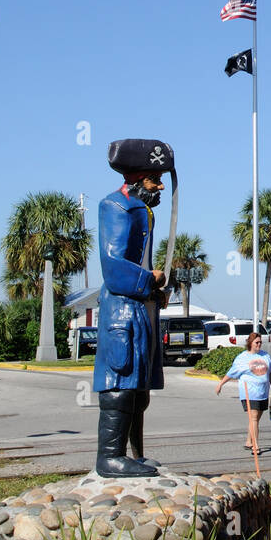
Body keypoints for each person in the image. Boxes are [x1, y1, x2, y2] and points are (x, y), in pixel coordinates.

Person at [93, 138, 175, 478]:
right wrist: (148, 279)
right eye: (155, 179)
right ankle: (109, 457)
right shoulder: (115, 206)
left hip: (141, 309)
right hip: (122, 311)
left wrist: (155, 292)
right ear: (139, 177)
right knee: (120, 382)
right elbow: (113, 267)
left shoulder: (143, 211)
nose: (159, 187)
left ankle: (134, 455)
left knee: (138, 389)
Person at [216, 332, 271, 454]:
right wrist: (220, 384)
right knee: (254, 418)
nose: (259, 344)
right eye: (257, 342)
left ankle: (249, 441)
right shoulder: (242, 358)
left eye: (260, 342)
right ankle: (255, 446)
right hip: (249, 392)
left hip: (263, 393)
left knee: (255, 419)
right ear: (250, 343)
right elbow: (231, 372)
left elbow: (270, 373)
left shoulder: (266, 356)